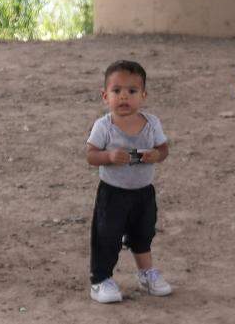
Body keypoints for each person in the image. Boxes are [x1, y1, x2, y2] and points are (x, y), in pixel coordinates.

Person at [85, 60, 173, 304]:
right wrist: (109, 157)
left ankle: (147, 274)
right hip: (112, 194)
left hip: (143, 193)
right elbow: (91, 155)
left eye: (132, 91)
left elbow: (163, 149)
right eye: (116, 91)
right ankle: (101, 279)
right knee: (107, 236)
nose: (124, 97)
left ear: (143, 95)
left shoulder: (151, 123)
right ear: (105, 96)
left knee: (143, 234)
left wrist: (156, 155)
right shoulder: (104, 126)